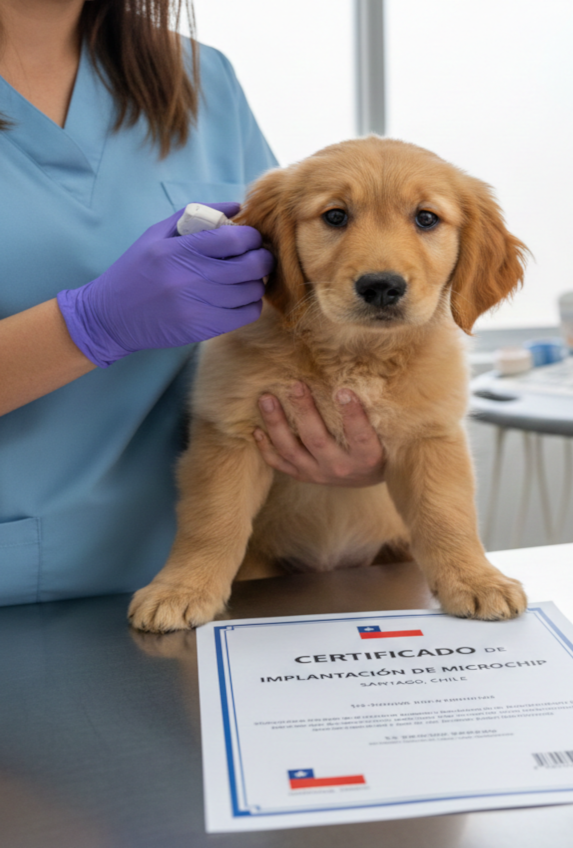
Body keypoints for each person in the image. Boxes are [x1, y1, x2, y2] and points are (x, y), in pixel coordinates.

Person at [0, 0, 385, 606]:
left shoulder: (201, 79)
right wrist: (91, 325)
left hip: (219, 583)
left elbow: (292, 310)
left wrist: (356, 454)